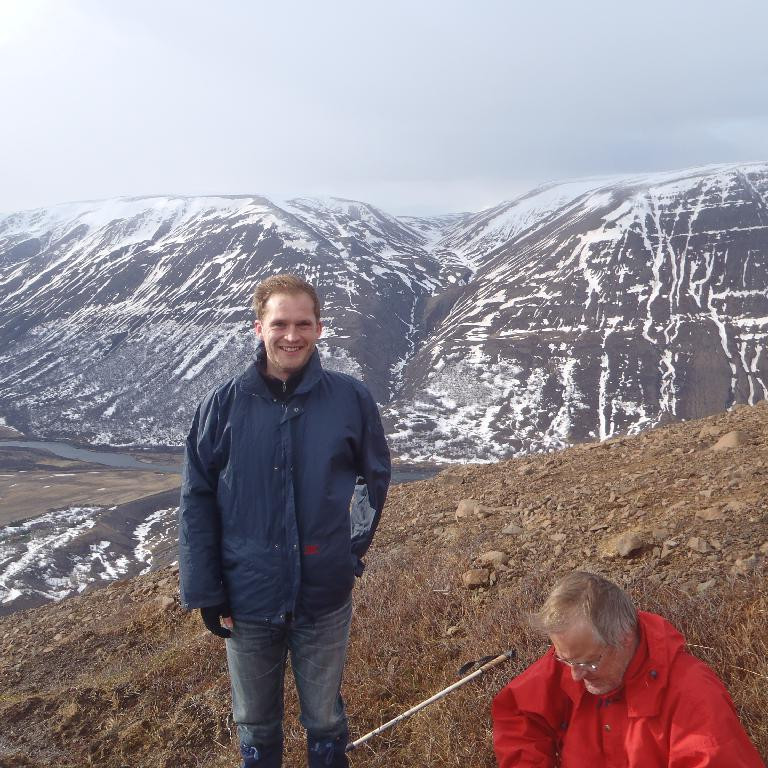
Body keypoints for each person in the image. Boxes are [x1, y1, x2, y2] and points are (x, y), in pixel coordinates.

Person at [178, 274, 391, 768]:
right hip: (247, 598)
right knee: (254, 721)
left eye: (303, 323)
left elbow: (372, 480)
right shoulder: (223, 404)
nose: (291, 335)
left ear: (319, 328)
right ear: (259, 327)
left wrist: (348, 552)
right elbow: (197, 500)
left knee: (324, 719)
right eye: (280, 323)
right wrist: (206, 592)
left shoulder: (349, 399)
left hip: (324, 595)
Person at [492, 571, 765, 767]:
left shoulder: (693, 694)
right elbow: (519, 715)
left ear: (624, 637)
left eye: (589, 663)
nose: (575, 675)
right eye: (564, 660)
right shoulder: (576, 658)